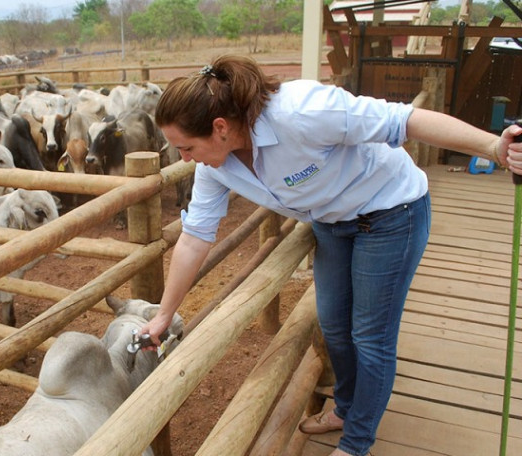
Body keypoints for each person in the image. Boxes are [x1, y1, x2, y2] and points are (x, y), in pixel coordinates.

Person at [138, 54, 522, 456]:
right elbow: (196, 236)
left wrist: (494, 147)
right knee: (336, 328)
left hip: (391, 211)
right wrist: (164, 315)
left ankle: (356, 443)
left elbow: (404, 121)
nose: (184, 159)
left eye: (185, 147)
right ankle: (347, 406)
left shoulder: (301, 111)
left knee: (371, 337)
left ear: (219, 127)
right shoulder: (214, 167)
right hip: (332, 221)